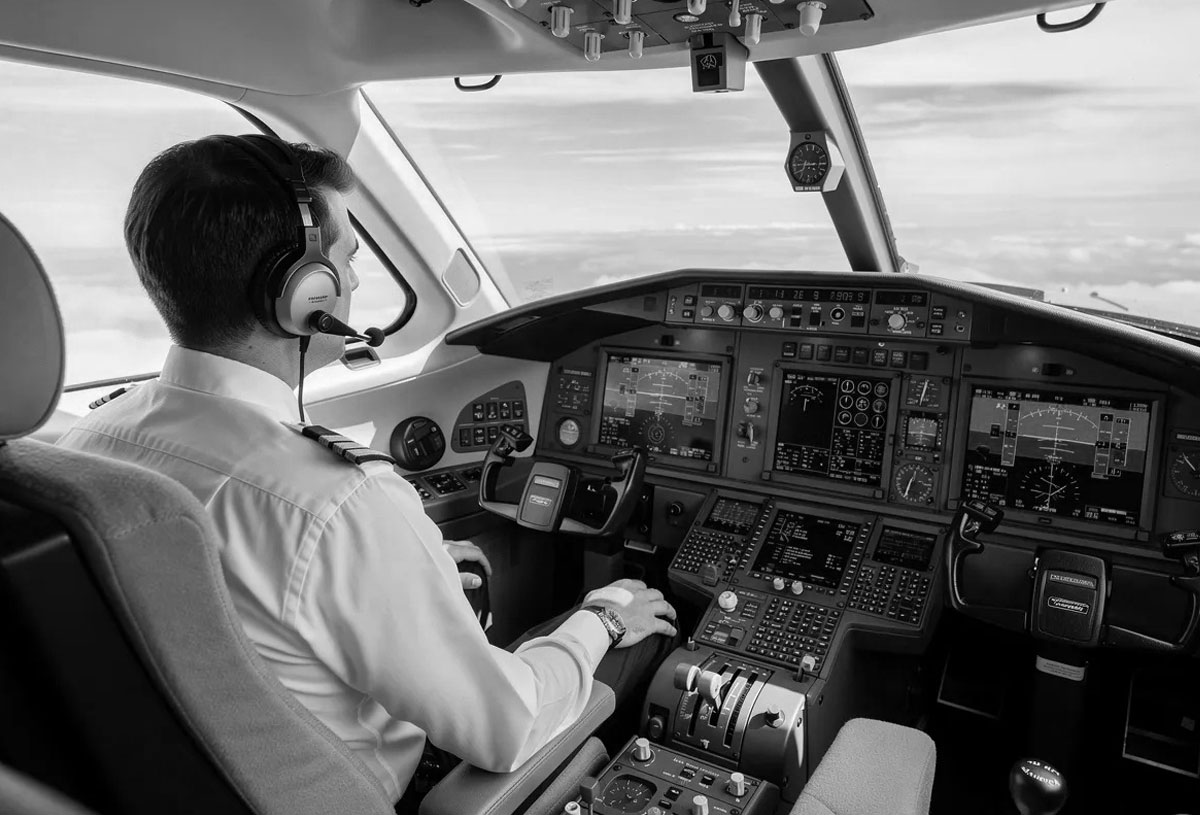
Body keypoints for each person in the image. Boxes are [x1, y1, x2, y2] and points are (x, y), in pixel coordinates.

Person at [56, 135, 678, 806]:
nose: (352, 284)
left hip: (176, 780)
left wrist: (406, 564)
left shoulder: (82, 445)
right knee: (635, 636)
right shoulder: (333, 503)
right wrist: (603, 617)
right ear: (298, 293)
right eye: (347, 261)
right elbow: (508, 725)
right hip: (352, 788)